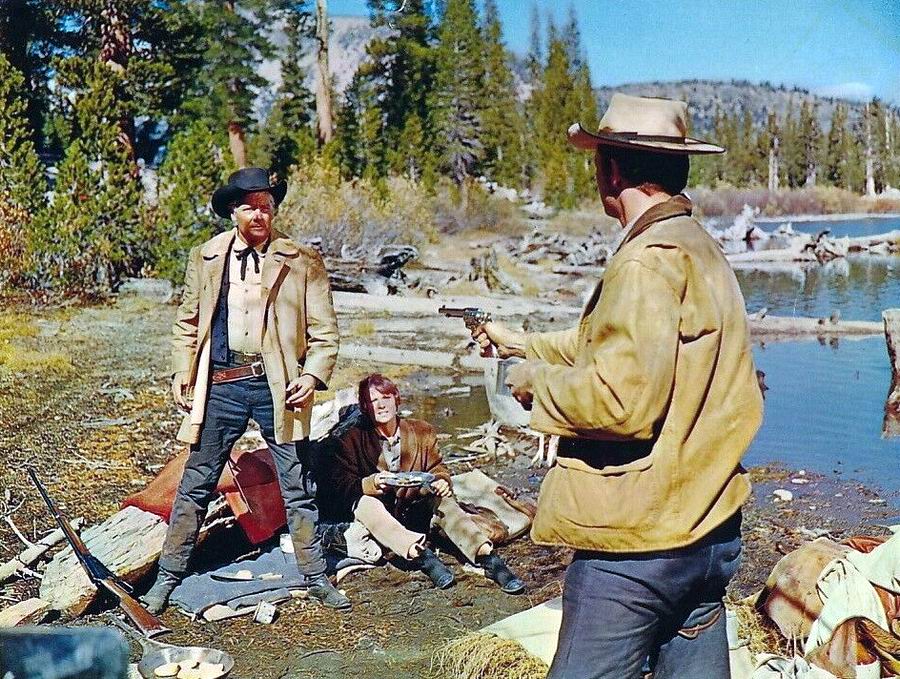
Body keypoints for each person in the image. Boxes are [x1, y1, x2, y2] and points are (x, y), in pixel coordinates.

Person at [472, 94, 764, 678]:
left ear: (611, 170)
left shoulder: (644, 262)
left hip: (640, 546)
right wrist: (524, 344)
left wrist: (532, 382)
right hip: (709, 533)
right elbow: (625, 348)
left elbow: (621, 402)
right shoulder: (698, 247)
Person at [142, 167, 349, 613]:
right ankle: (167, 578)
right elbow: (187, 323)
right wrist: (181, 371)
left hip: (278, 386)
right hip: (221, 384)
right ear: (232, 212)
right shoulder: (207, 257)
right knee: (196, 483)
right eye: (249, 207)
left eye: (266, 206)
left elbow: (325, 333)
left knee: (297, 484)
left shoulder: (301, 260)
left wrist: (311, 377)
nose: (259, 214)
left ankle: (315, 576)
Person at [324, 374, 525, 593]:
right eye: (373, 400)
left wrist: (441, 481)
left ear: (396, 399)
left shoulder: (421, 431)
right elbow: (341, 486)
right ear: (365, 407)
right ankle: (422, 557)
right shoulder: (351, 439)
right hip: (380, 519)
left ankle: (489, 558)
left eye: (386, 397)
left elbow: (437, 468)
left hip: (414, 510)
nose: (381, 405)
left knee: (444, 501)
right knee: (366, 504)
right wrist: (371, 483)